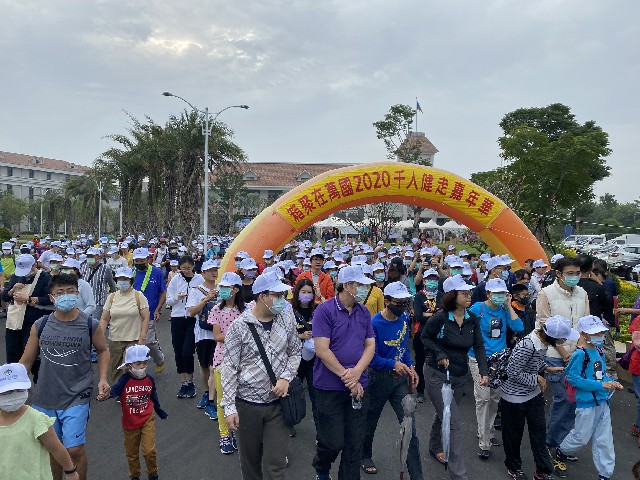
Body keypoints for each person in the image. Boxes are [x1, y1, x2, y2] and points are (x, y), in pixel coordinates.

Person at [20, 273, 110, 480]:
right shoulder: (40, 325)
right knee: (54, 449)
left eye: (70, 292)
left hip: (77, 396)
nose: (65, 296)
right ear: (51, 298)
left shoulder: (90, 324)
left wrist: (103, 379)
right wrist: (8, 388)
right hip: (45, 397)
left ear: (77, 294)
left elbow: (103, 350)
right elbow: (26, 361)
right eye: (59, 293)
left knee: (74, 450)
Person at [220, 271, 301, 480]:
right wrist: (229, 407)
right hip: (248, 405)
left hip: (279, 404)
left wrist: (286, 378)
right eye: (278, 295)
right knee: (251, 464)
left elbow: (295, 352)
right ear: (262, 296)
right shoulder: (239, 326)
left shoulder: (286, 318)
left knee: (275, 465)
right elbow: (228, 367)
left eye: (284, 295)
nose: (283, 300)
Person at [421, 274, 488, 479]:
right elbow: (424, 337)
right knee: (453, 422)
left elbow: (478, 346)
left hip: (460, 375)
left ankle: (434, 445)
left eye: (470, 292)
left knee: (446, 413)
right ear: (451, 295)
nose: (469, 295)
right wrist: (440, 354)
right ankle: (458, 474)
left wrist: (484, 372)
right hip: (436, 374)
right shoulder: (440, 317)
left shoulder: (472, 319)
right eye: (464, 293)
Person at [312, 265, 375, 480]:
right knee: (332, 441)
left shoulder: (363, 312)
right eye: (361, 285)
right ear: (347, 286)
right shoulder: (325, 310)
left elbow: (370, 346)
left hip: (358, 386)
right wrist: (348, 377)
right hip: (329, 387)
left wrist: (357, 372)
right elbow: (322, 349)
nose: (366, 289)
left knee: (354, 444)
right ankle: (321, 466)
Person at [500, 315, 578, 480]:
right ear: (552, 336)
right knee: (514, 434)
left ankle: (542, 471)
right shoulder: (527, 345)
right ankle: (514, 467)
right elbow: (512, 372)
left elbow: (535, 362)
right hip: (514, 397)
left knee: (539, 433)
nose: (564, 340)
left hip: (533, 394)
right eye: (563, 337)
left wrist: (548, 369)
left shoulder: (542, 342)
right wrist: (536, 378)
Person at [361, 282, 422, 479]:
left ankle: (416, 474)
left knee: (409, 425)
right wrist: (392, 365)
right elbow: (371, 357)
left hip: (399, 381)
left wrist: (410, 366)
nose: (403, 306)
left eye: (406, 302)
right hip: (377, 379)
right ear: (386, 302)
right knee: (370, 422)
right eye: (399, 302)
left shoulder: (404, 318)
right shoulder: (373, 324)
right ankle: (365, 455)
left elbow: (403, 349)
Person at [553, 316, 623, 480]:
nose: (600, 335)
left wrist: (612, 382)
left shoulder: (599, 352)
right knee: (580, 437)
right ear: (584, 334)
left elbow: (602, 375)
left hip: (602, 402)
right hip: (586, 404)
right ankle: (562, 452)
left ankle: (605, 474)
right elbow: (573, 378)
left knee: (605, 439)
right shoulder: (579, 354)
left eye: (601, 332)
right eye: (596, 333)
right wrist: (601, 385)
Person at [536, 257, 589, 455]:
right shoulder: (546, 293)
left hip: (577, 355)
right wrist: (564, 351)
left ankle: (562, 442)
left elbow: (585, 325)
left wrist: (580, 350)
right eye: (570, 273)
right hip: (553, 354)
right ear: (558, 273)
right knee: (564, 398)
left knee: (574, 400)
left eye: (577, 273)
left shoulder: (582, 293)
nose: (575, 277)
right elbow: (545, 326)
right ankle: (550, 442)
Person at [468, 278, 524, 460]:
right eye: (497, 293)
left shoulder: (503, 310)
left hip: (500, 360)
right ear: (488, 294)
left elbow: (518, 327)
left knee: (494, 399)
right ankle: (484, 442)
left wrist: (508, 306)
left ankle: (488, 432)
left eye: (503, 293)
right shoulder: (478, 309)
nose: (500, 297)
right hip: (478, 359)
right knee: (483, 399)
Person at [0, 362, 80, 480]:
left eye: (17, 390)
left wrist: (70, 471)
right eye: (5, 392)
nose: (12, 396)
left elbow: (56, 448)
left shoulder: (36, 419)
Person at [100, 345, 167, 480]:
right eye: (138, 363)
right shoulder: (124, 380)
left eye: (144, 363)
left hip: (147, 418)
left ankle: (153, 473)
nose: (142, 366)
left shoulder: (149, 379)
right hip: (130, 423)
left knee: (149, 451)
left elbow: (154, 397)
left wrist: (160, 412)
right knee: (132, 454)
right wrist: (104, 395)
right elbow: (113, 392)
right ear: (130, 365)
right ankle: (135, 476)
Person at [209, 271, 244, 454]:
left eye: (226, 287)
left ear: (236, 290)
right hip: (222, 360)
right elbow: (217, 336)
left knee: (242, 399)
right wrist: (239, 337)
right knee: (223, 399)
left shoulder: (246, 310)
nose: (222, 290)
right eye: (221, 287)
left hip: (244, 361)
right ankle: (224, 435)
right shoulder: (216, 310)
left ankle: (240, 432)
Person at [2, 254, 52, 380]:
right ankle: (13, 384)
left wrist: (29, 299)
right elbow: (5, 297)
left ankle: (39, 381)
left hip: (33, 322)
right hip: (14, 323)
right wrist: (12, 290)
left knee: (32, 355)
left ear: (34, 265)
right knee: (13, 354)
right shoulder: (16, 276)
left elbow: (50, 299)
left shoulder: (45, 278)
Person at [100, 267, 150, 384]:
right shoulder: (112, 297)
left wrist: (142, 337)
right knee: (115, 368)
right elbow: (104, 318)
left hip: (134, 338)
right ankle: (119, 391)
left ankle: (133, 391)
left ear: (130, 280)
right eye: (120, 279)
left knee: (133, 367)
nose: (122, 281)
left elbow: (145, 317)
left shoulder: (138, 296)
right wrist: (100, 336)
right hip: (115, 338)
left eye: (125, 279)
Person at [166, 256, 203, 399]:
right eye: (183, 268)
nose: (186, 271)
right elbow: (169, 301)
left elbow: (204, 296)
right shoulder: (175, 279)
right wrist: (178, 297)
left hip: (193, 318)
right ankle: (183, 384)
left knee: (188, 352)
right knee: (178, 352)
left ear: (193, 266)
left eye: (189, 268)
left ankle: (191, 381)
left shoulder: (199, 279)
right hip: (177, 318)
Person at [186, 259, 219, 410]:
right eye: (210, 270)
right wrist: (205, 300)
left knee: (214, 367)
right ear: (203, 273)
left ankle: (212, 399)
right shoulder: (196, 290)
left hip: (219, 335)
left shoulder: (222, 289)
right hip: (203, 334)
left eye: (215, 269)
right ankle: (207, 392)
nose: (214, 272)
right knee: (204, 366)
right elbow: (191, 312)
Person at [291, 278, 320, 437]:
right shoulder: (288, 311)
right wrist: (300, 335)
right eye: (304, 292)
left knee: (316, 396)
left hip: (313, 358)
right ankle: (289, 422)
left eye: (310, 292)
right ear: (297, 293)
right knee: (293, 393)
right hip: (295, 359)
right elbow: (284, 335)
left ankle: (320, 432)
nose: (307, 295)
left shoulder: (318, 310)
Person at [132, 248, 166, 373]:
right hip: (134, 314)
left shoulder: (156, 272)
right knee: (135, 341)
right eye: (137, 260)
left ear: (148, 259)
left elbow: (163, 292)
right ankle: (137, 367)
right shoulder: (132, 273)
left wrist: (158, 309)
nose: (139, 263)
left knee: (149, 341)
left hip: (150, 312)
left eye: (142, 260)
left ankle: (159, 359)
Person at [412, 268, 441, 403]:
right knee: (421, 362)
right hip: (421, 333)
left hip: (439, 334)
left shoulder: (441, 295)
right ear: (424, 281)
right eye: (429, 279)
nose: (432, 282)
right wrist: (436, 315)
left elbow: (445, 315)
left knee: (439, 362)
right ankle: (420, 390)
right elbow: (418, 316)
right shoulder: (419, 296)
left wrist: (428, 315)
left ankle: (438, 390)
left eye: (435, 279)